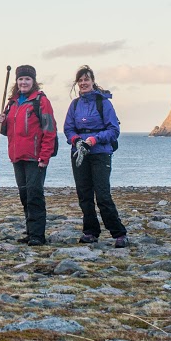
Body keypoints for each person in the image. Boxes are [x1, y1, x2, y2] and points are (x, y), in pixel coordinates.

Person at [63, 65, 128, 248]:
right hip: (79, 154)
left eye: (86, 79)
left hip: (100, 153)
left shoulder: (104, 103)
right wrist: (75, 139)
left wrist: (94, 139)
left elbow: (114, 130)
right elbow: (68, 128)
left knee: (102, 195)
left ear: (93, 81)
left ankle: (119, 233)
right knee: (84, 194)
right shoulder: (74, 105)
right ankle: (90, 232)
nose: (83, 83)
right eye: (80, 80)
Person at [0, 65, 57, 246]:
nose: (23, 82)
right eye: (21, 79)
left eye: (27, 79)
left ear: (33, 81)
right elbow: (7, 131)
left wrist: (45, 157)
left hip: (35, 157)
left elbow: (49, 130)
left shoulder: (41, 101)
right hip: (17, 156)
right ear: (16, 81)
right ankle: (30, 232)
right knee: (24, 195)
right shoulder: (12, 103)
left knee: (34, 194)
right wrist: (0, 122)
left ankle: (38, 235)